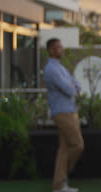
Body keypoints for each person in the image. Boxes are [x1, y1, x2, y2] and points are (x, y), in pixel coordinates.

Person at [44, 38, 84, 192]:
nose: (62, 49)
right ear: (51, 50)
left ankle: (59, 185)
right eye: (58, 47)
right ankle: (61, 177)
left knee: (65, 148)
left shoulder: (60, 67)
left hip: (69, 110)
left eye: (61, 46)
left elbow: (75, 83)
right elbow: (70, 89)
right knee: (77, 145)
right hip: (62, 112)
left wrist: (74, 86)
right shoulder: (51, 69)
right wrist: (73, 87)